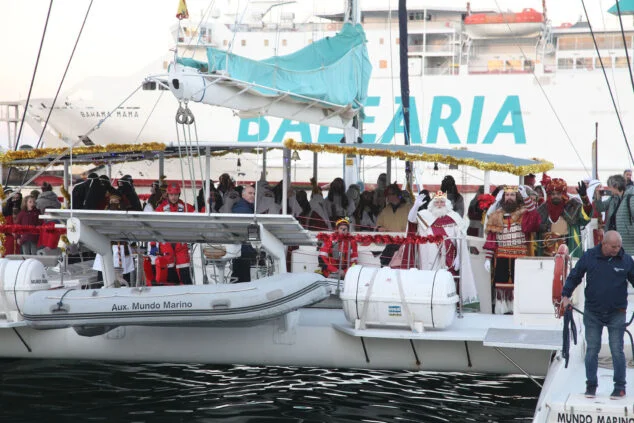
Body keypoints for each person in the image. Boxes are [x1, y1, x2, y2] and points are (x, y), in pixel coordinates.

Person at [561, 231, 634, 399]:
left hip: (617, 312)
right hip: (593, 313)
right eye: (614, 246)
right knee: (592, 349)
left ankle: (620, 387)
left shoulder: (626, 260)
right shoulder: (589, 256)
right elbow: (575, 276)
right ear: (604, 244)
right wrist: (566, 295)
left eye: (619, 246)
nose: (617, 249)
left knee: (617, 349)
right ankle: (591, 386)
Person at [405, 191, 478, 305]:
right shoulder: (425, 215)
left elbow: (459, 240)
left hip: (449, 258)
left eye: (442, 202)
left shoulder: (454, 217)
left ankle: (451, 305)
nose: (439, 204)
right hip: (429, 258)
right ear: (432, 204)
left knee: (448, 283)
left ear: (447, 204)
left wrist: (459, 257)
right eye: (437, 202)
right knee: (431, 284)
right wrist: (415, 207)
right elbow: (411, 220)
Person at [483, 185, 540, 314]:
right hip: (502, 256)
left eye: (512, 195)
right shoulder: (496, 216)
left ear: (517, 197)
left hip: (520, 257)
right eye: (507, 195)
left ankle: (519, 309)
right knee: (501, 284)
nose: (509, 197)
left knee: (520, 283)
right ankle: (502, 309)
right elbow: (491, 240)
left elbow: (535, 218)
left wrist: (526, 197)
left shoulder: (524, 214)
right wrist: (488, 258)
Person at [536, 178, 592, 258]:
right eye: (553, 194)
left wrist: (584, 198)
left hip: (570, 247)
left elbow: (585, 218)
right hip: (548, 251)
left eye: (558, 193)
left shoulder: (573, 205)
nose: (555, 196)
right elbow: (536, 228)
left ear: (563, 194)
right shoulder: (543, 209)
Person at [154, 183, 195, 284]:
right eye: (171, 195)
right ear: (167, 195)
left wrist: (205, 206)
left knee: (184, 271)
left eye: (176, 194)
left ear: (179, 195)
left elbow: (199, 216)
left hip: (181, 244)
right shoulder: (160, 209)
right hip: (166, 245)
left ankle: (187, 293)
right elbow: (153, 227)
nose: (174, 197)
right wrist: (153, 245)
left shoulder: (186, 208)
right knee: (168, 274)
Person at [594, 174, 634, 255]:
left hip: (628, 240)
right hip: (614, 238)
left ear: (615, 186)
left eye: (610, 187)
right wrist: (598, 197)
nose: (608, 189)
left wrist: (630, 230)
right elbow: (600, 208)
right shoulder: (613, 198)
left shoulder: (630, 197)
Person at [376, 183, 409, 266]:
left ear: (396, 194)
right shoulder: (386, 210)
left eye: (390, 194)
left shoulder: (408, 208)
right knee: (385, 262)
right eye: (387, 194)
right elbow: (379, 224)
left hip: (403, 243)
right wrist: (379, 228)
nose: (388, 197)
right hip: (388, 242)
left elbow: (415, 223)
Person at [232, 185, 259, 282]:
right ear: (243, 195)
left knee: (238, 274)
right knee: (243, 276)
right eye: (250, 193)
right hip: (244, 248)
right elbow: (251, 229)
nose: (253, 195)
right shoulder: (244, 209)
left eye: (254, 194)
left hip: (240, 248)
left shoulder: (245, 207)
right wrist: (256, 247)